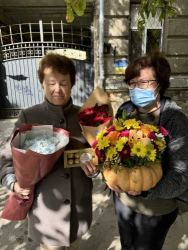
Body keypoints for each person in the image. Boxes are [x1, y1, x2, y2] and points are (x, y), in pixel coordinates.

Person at [0, 53, 98, 250]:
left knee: (74, 244)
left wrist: (95, 169)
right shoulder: (29, 116)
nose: (58, 89)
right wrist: (14, 184)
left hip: (78, 205)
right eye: (51, 83)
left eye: (64, 83)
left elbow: (96, 154)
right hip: (46, 209)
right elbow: (6, 159)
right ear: (42, 84)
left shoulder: (85, 116)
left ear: (72, 84)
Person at [110, 50, 188, 250]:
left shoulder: (175, 120)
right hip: (123, 202)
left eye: (144, 83)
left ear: (159, 85)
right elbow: (111, 149)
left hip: (157, 209)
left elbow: (181, 176)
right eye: (133, 83)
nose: (137, 88)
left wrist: (146, 190)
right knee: (127, 244)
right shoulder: (125, 110)